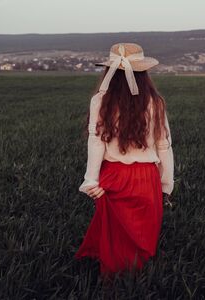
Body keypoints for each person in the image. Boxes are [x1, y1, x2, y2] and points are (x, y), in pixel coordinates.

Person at [74, 43, 174, 280]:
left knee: (114, 234)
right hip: (146, 179)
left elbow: (96, 141)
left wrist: (91, 179)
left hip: (112, 176)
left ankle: (114, 278)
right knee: (141, 233)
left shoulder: (100, 100)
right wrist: (166, 184)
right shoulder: (155, 102)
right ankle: (135, 280)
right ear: (143, 74)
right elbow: (164, 146)